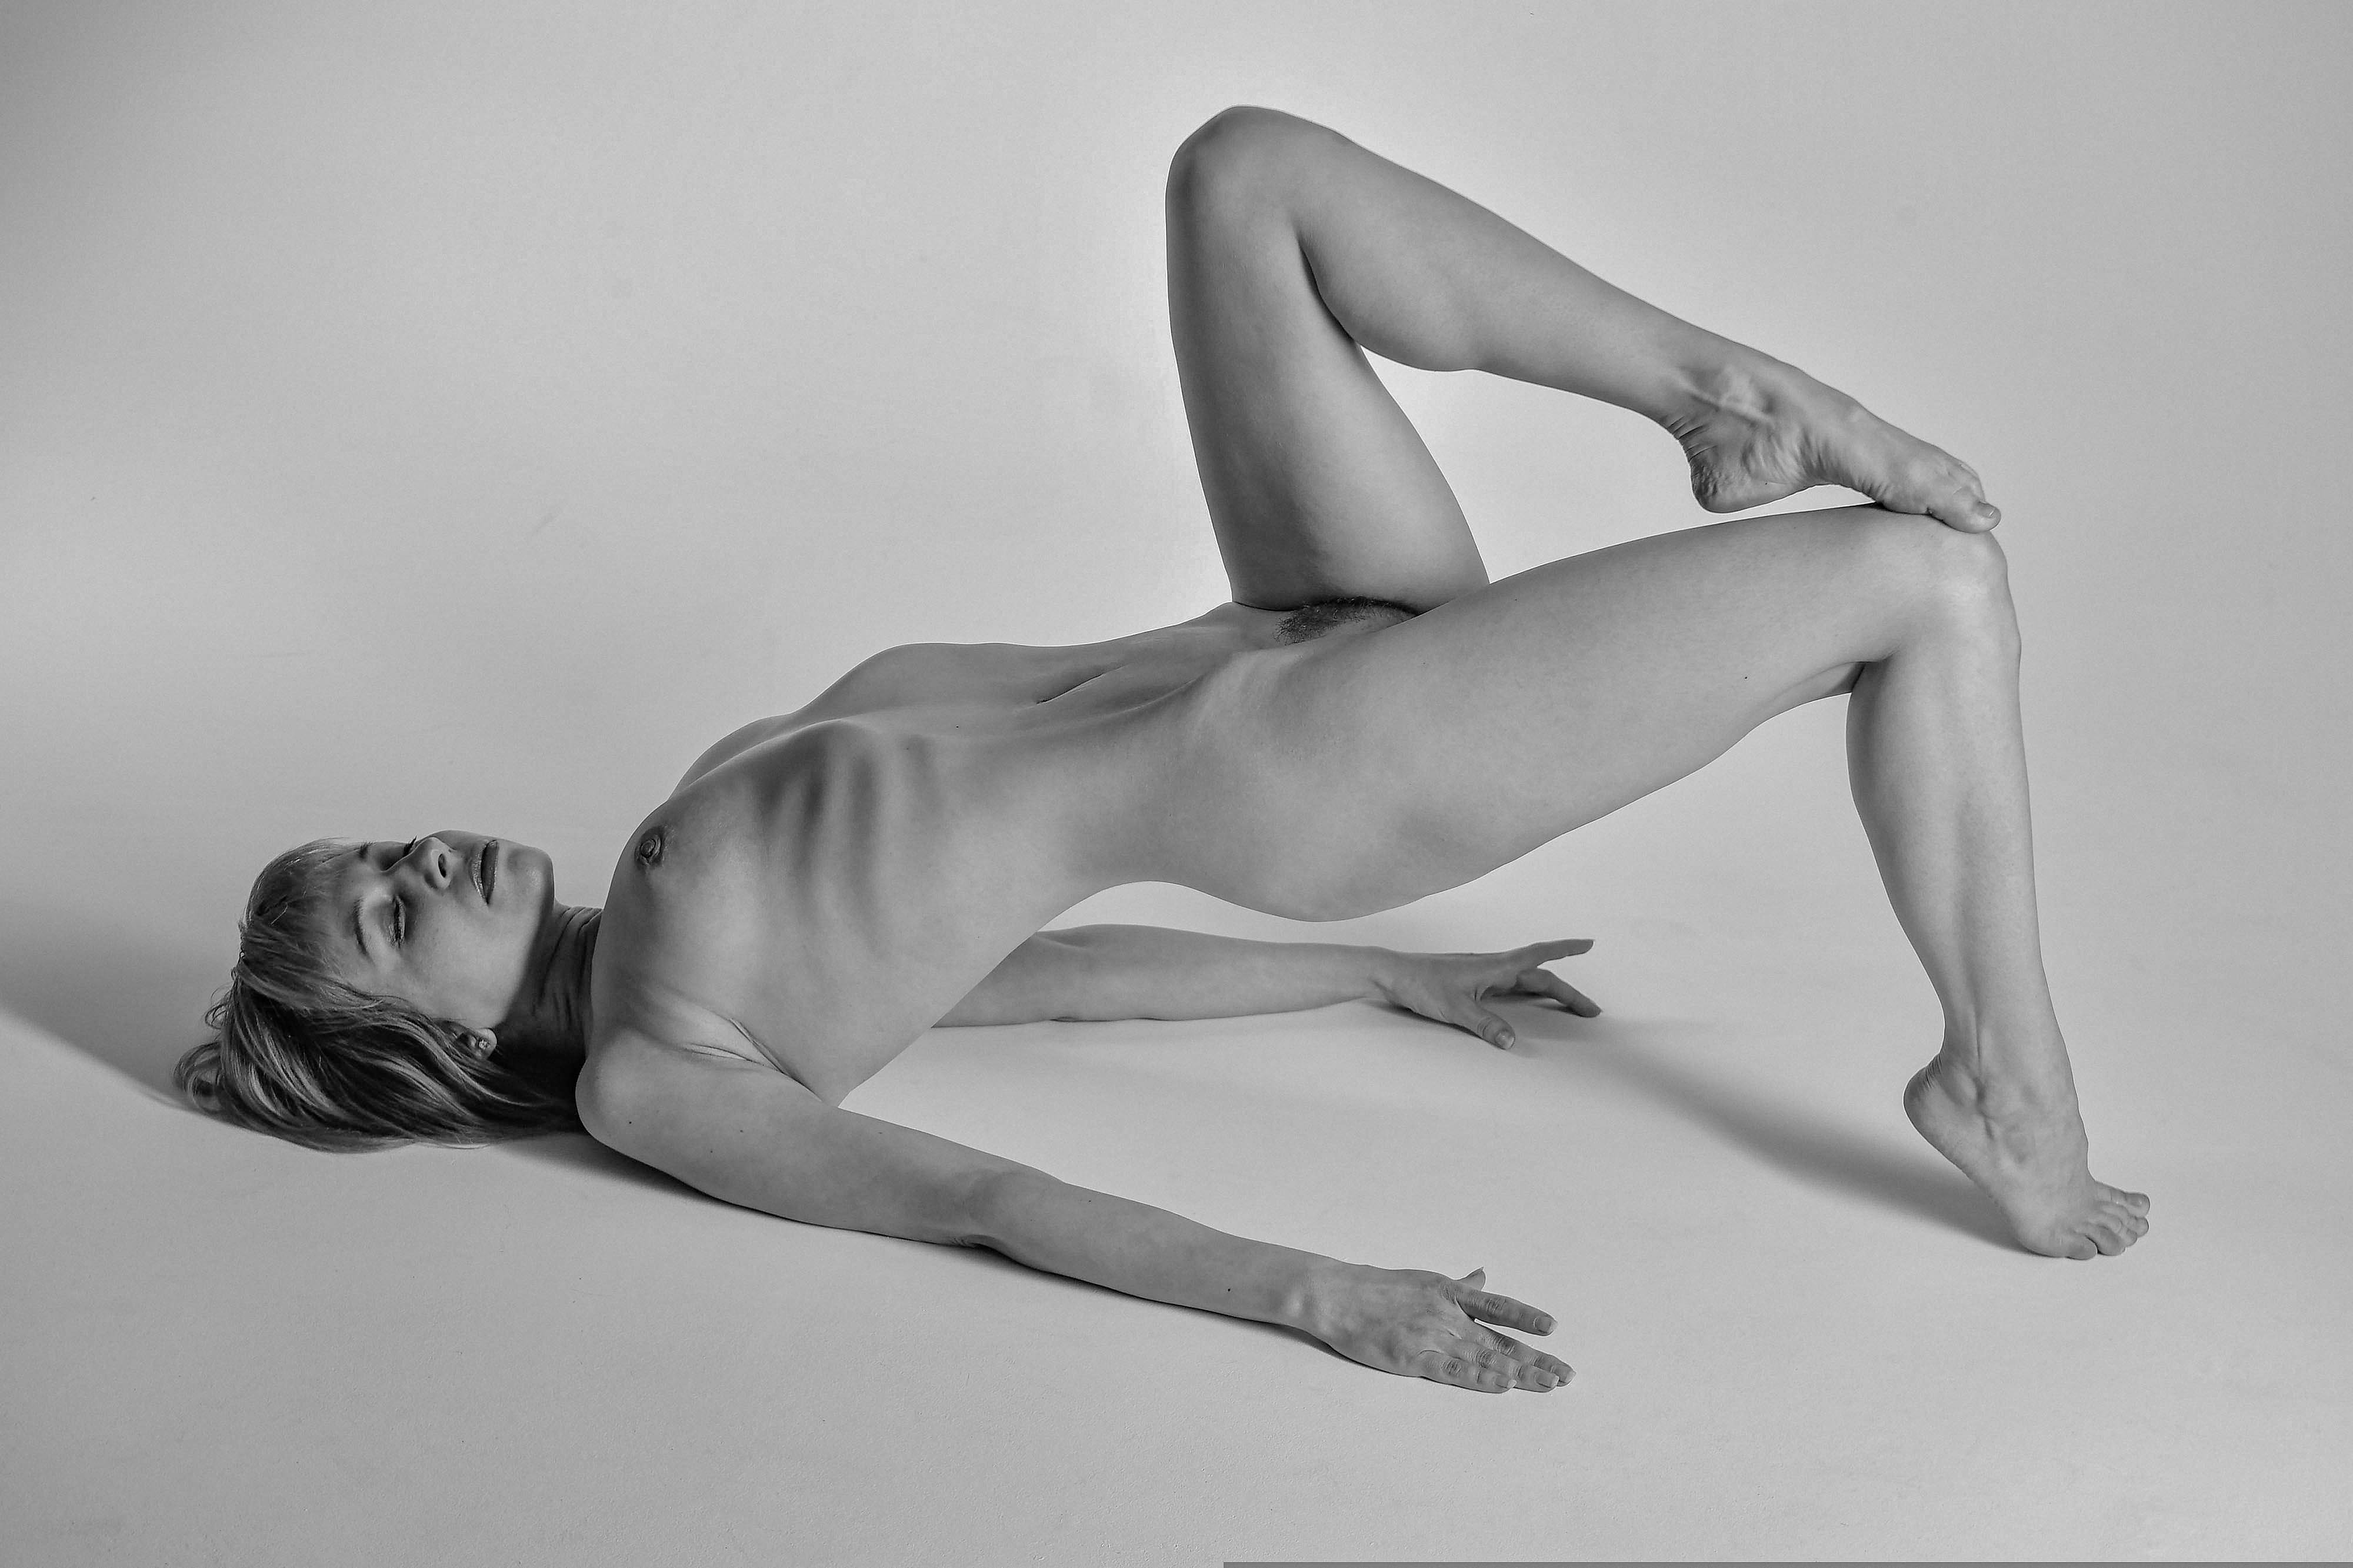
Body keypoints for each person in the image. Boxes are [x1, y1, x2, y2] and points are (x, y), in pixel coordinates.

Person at [179, 107, 2148, 1394]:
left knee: (1241, 173)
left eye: (384, 850)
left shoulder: (689, 861)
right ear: (431, 1046)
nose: (420, 860)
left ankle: (1724, 399)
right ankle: (2003, 1082)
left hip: (1302, 621)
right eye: (389, 914)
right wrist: (1318, 1294)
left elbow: (1041, 980)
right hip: (1334, 759)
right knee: (1930, 583)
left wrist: (1376, 974)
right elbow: (970, 1193)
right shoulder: (652, 1071)